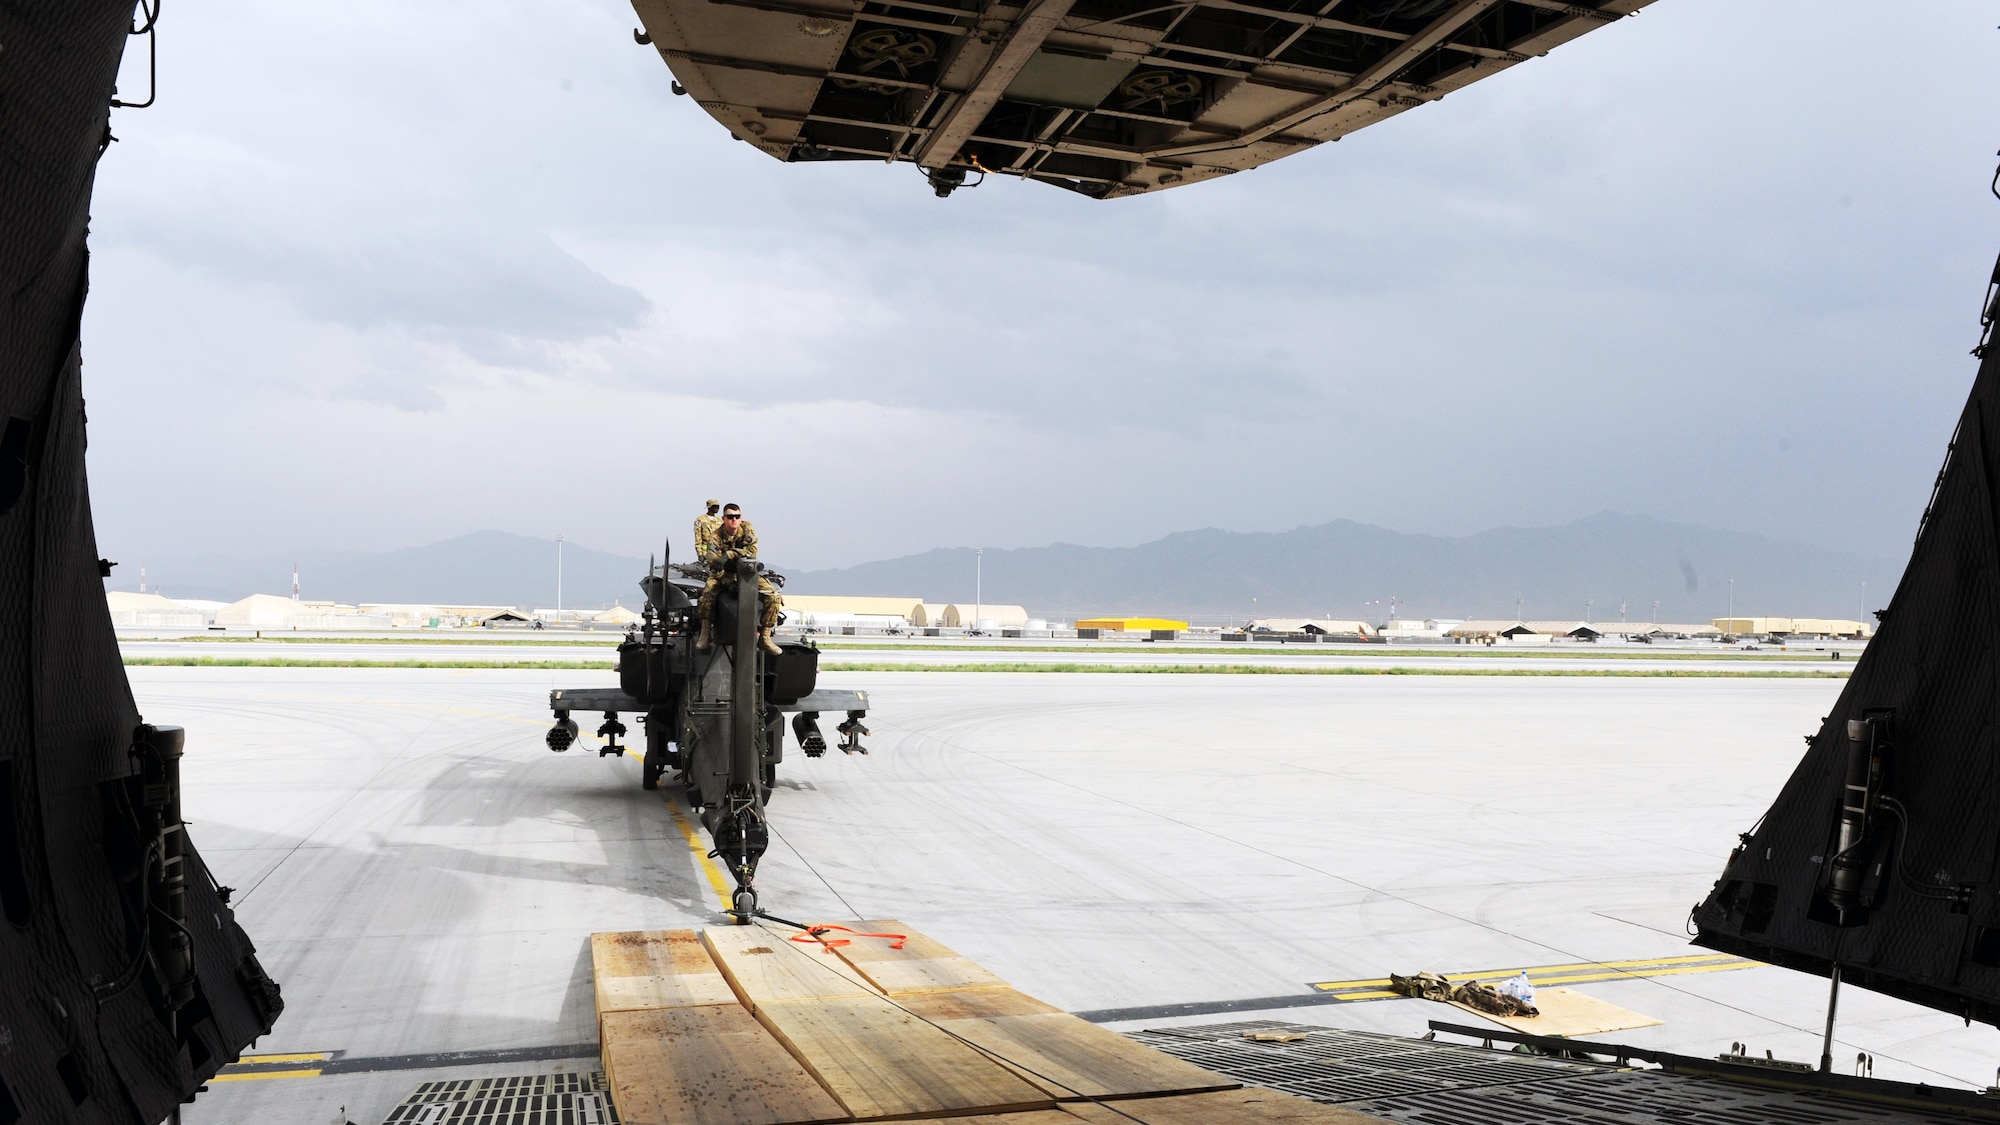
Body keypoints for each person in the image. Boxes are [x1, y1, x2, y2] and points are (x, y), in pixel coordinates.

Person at [696, 503, 782, 655]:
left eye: (737, 517)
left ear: (741, 518)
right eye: (730, 517)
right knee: (707, 593)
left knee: (773, 596)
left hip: (747, 573)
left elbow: (752, 551)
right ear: (724, 519)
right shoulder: (716, 536)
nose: (734, 520)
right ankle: (706, 633)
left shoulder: (747, 529)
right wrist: (727, 582)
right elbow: (713, 563)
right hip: (723, 574)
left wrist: (729, 554)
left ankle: (765, 637)